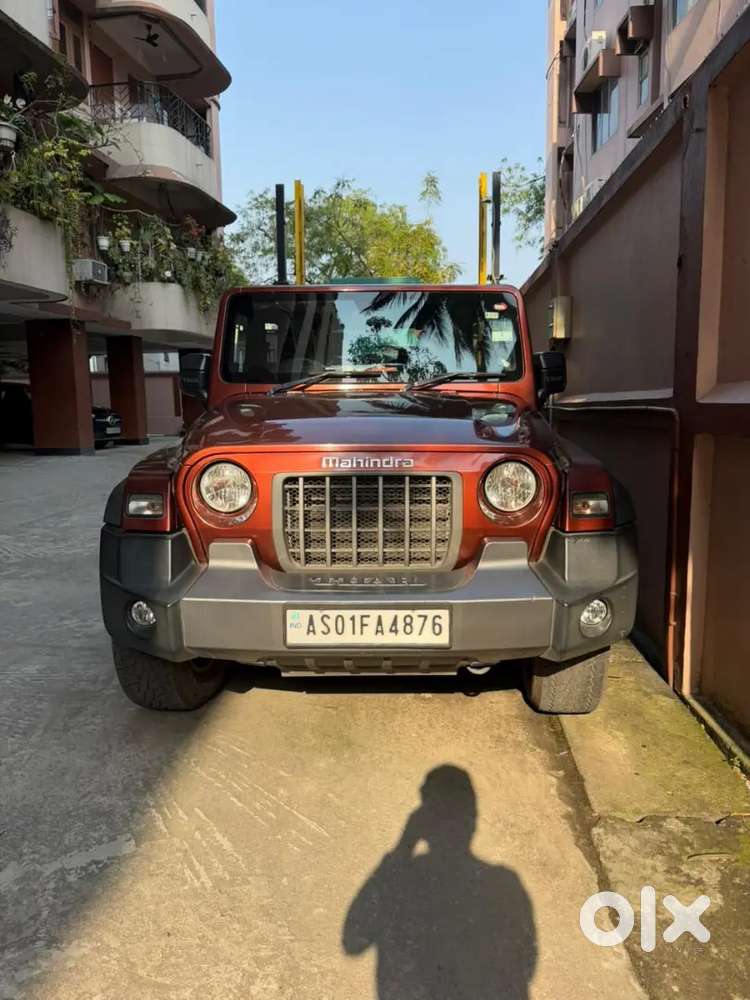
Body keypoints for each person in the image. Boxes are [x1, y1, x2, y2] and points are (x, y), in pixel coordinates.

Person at [342, 765, 537, 1000]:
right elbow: (525, 962)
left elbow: (354, 939)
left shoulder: (404, 878)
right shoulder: (502, 884)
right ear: (472, 820)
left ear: (424, 822)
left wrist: (404, 846)